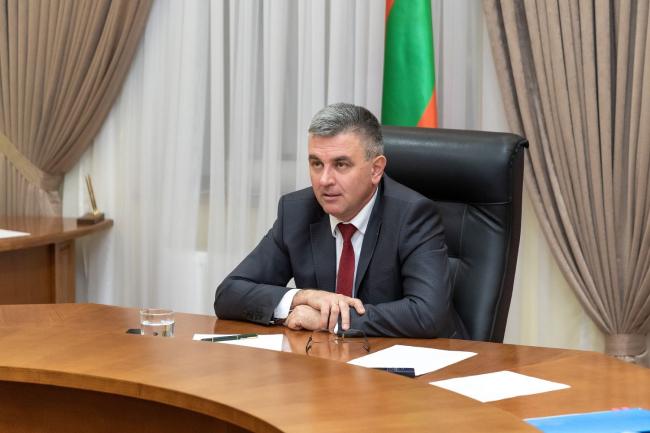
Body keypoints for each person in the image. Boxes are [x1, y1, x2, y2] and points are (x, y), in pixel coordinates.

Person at [214, 103, 468, 339]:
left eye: (341, 165)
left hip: (419, 361)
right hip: (329, 360)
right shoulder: (296, 212)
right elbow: (228, 294)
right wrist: (302, 297)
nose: (325, 180)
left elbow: (427, 314)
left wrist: (329, 321)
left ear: (376, 169)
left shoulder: (413, 216)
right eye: (316, 164)